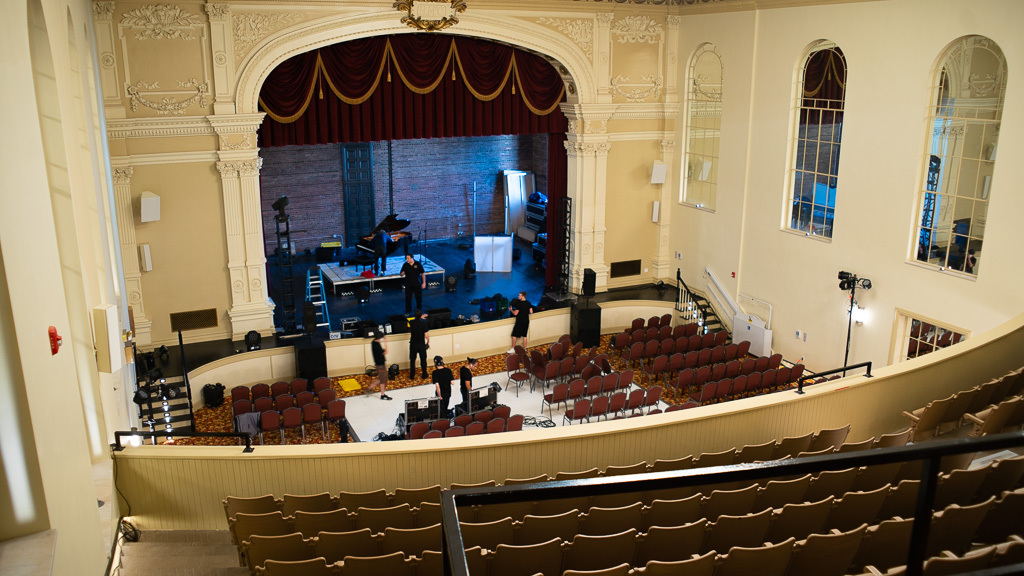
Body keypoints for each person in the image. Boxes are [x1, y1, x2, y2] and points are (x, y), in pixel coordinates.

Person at [369, 331, 392, 400]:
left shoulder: (373, 342)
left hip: (379, 363)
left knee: (381, 378)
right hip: (380, 365)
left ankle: (370, 388)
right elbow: (386, 352)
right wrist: (385, 342)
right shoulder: (377, 346)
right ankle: (382, 395)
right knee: (382, 379)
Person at [408, 309, 430, 379]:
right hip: (421, 345)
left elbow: (411, 319)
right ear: (421, 316)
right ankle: (424, 374)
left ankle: (412, 376)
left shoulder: (411, 322)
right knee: (423, 360)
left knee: (412, 360)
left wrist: (419, 317)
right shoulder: (423, 324)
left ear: (414, 316)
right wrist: (428, 342)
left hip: (413, 344)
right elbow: (426, 335)